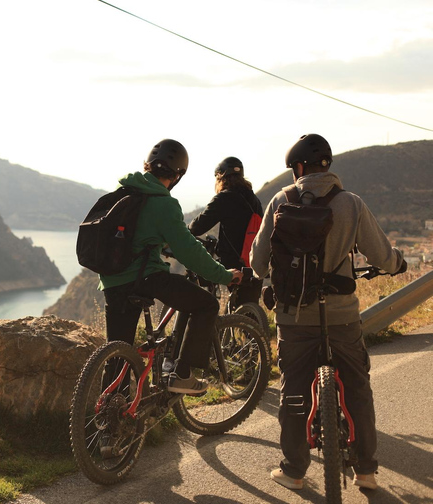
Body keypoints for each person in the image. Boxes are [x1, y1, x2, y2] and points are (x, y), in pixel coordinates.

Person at [250, 133, 406, 491]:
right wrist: (397, 264)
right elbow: (381, 255)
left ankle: (293, 471)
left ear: (300, 168)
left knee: (294, 392)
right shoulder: (350, 203)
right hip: (342, 316)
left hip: (293, 318)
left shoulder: (280, 200)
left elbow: (258, 264)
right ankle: (366, 471)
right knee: (357, 388)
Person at [99, 139, 242, 395]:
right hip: (144, 278)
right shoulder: (164, 203)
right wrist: (223, 275)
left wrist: (160, 244)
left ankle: (108, 419)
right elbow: (188, 251)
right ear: (178, 175)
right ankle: (182, 375)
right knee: (206, 304)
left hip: (111, 279)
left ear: (147, 166)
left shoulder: (125, 191)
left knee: (118, 351)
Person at [188, 156, 265, 307]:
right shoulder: (253, 198)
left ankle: (212, 323)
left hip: (232, 263)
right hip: (254, 261)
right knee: (249, 312)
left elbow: (197, 227)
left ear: (220, 178)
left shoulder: (224, 198)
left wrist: (185, 230)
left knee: (206, 279)